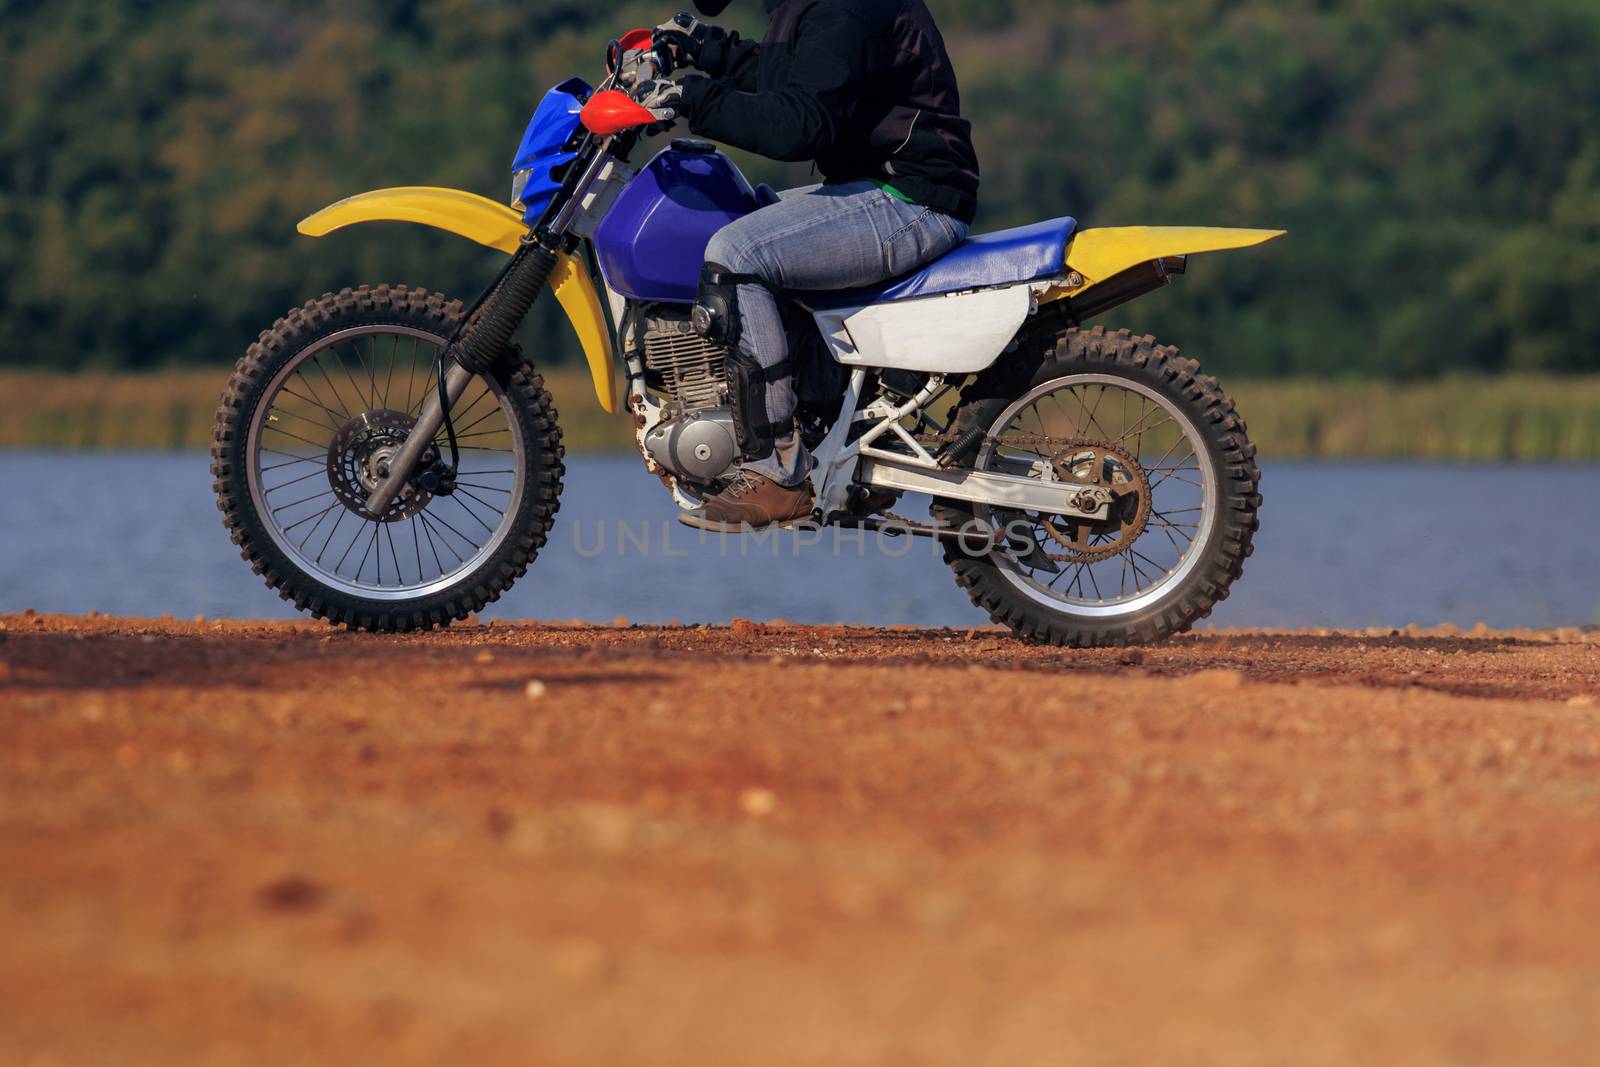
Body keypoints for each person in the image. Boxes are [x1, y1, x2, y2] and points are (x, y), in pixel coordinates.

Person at [639, 0, 980, 531]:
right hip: (880, 188)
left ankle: (778, 469)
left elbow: (799, 124)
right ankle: (833, 421)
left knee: (739, 254)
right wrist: (704, 51)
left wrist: (692, 98)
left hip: (911, 198)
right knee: (754, 220)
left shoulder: (842, 7)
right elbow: (797, 78)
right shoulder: (810, 8)